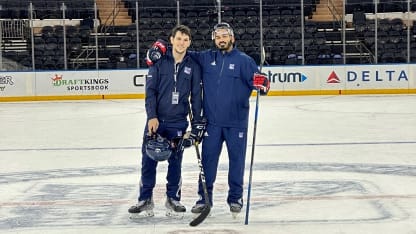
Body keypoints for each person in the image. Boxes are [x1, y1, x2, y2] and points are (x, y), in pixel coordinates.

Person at [146, 22, 270, 216]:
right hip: (212, 123)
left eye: (225, 35)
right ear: (214, 38)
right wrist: (160, 46)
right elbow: (181, 50)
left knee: (237, 161)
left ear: (232, 38)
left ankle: (235, 197)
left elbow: (259, 84)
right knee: (208, 162)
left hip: (236, 123)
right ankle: (204, 199)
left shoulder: (244, 61)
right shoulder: (206, 58)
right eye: (218, 36)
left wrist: (263, 84)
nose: (222, 39)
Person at [128, 25, 205, 218]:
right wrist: (151, 116)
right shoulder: (159, 61)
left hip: (178, 122)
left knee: (175, 163)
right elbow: (150, 92)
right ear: (171, 40)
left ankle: (173, 198)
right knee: (148, 160)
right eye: (178, 38)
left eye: (186, 40)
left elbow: (196, 97)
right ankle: (145, 199)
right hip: (156, 122)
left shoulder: (192, 65)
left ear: (189, 42)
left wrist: (196, 124)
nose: (182, 43)